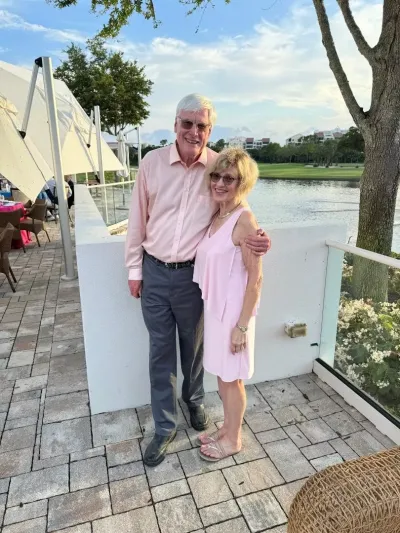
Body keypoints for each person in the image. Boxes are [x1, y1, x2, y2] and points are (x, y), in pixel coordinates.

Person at [125, 93, 271, 467]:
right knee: (161, 351)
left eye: (201, 125)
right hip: (155, 271)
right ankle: (164, 426)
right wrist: (134, 269)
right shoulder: (151, 164)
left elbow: (238, 210)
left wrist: (260, 237)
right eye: (187, 123)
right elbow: (137, 220)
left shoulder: (217, 167)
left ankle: (194, 405)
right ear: (175, 124)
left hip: (193, 278)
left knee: (195, 349)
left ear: (210, 130)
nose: (193, 131)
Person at [193, 147, 262, 461]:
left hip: (235, 313)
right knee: (223, 376)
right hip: (217, 311)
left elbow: (256, 279)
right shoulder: (218, 215)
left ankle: (233, 439)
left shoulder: (244, 219)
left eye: (230, 179)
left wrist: (242, 326)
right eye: (216, 176)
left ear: (242, 183)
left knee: (231, 380)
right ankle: (228, 427)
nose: (220, 183)